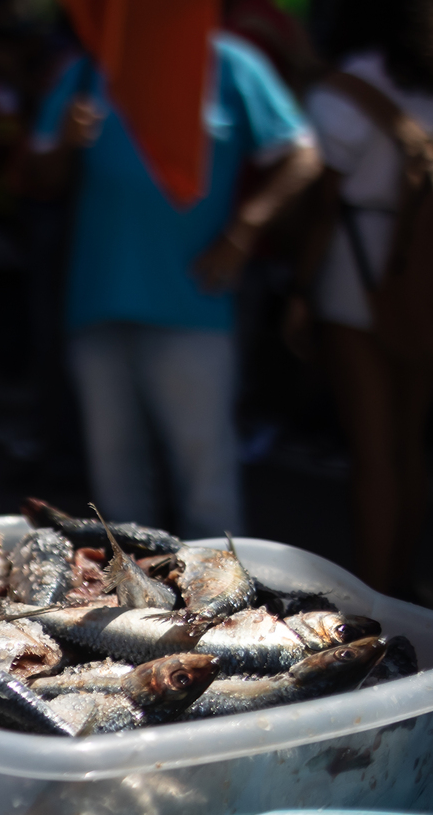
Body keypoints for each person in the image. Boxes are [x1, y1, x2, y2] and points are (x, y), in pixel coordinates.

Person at [25, 33, 320, 539]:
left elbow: (303, 155)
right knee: (115, 495)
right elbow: (36, 178)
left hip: (194, 305)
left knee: (206, 486)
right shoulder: (90, 68)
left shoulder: (233, 64)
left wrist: (246, 228)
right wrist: (67, 145)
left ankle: (220, 590)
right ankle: (128, 591)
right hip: (97, 305)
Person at [299, 0, 433, 597]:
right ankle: (406, 581)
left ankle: (374, 596)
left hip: (355, 274)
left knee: (371, 450)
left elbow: (321, 201)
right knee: (408, 442)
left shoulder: (345, 88)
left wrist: (298, 291)